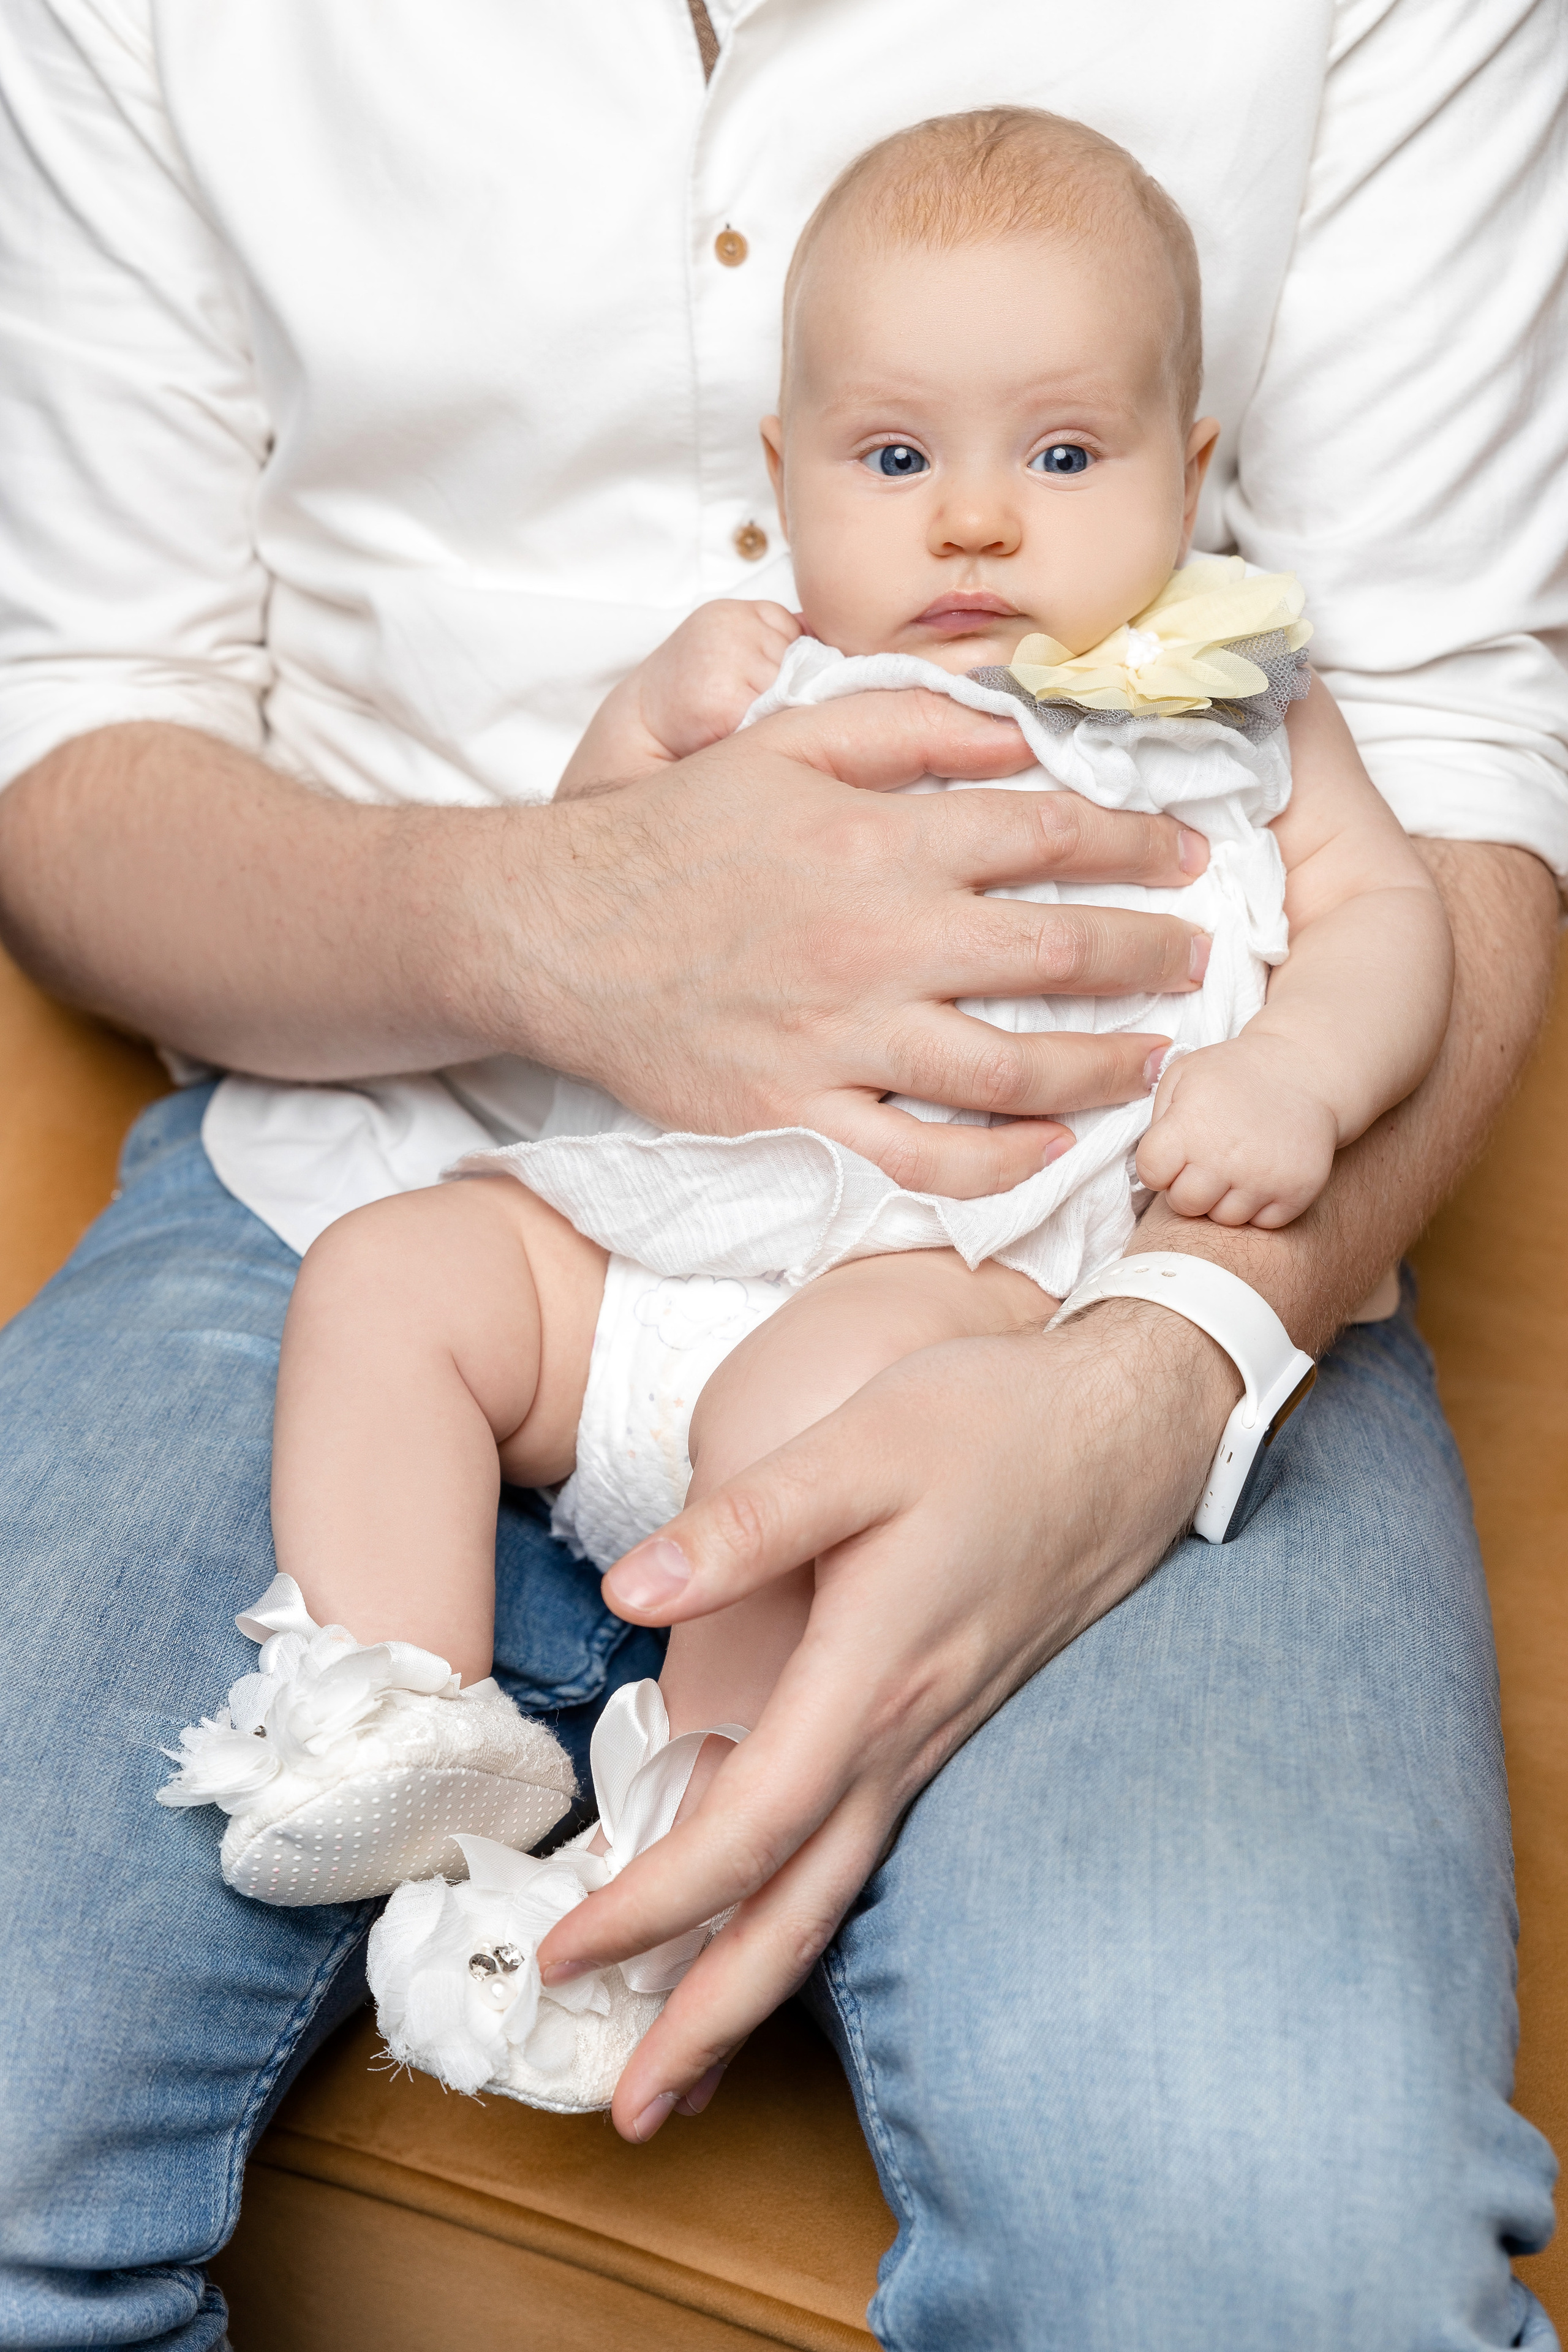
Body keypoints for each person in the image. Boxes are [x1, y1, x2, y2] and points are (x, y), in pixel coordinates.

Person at [0, 6, 1562, 2346]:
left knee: (1268, 2251)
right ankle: (383, 1704)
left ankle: (676, 1815)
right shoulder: (756, 656)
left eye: (1058, 450)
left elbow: (1438, 815)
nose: (972, 521)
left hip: (1067, 1255)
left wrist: (1189, 1320)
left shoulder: (1224, 688)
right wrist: (556, 912)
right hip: (415, 1166)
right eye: (907, 454)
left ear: (1187, 457)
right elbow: (80, 708)